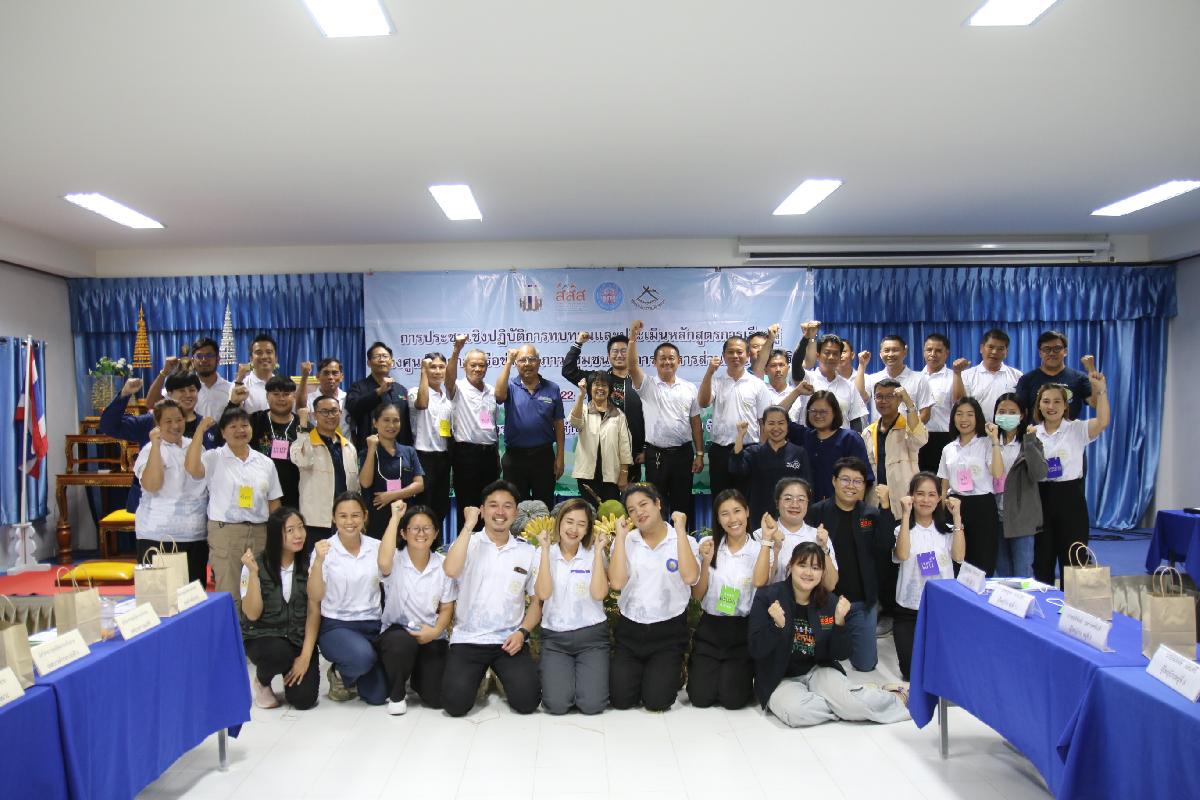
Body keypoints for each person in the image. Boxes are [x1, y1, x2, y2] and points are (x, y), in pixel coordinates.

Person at [748, 542, 909, 727]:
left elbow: (841, 654)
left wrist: (840, 624)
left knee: (848, 704)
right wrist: (776, 626)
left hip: (818, 670)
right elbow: (756, 649)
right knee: (797, 713)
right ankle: (853, 702)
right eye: (802, 565)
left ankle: (894, 697)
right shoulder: (768, 597)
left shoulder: (829, 601)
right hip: (780, 677)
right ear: (791, 566)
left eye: (815, 568)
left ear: (822, 573)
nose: (808, 573)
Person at [441, 482, 542, 716]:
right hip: (468, 639)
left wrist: (522, 632)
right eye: (493, 505)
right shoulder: (468, 542)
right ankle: (482, 676)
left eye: (507, 506)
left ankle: (498, 676)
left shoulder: (527, 551)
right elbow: (451, 570)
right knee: (455, 706)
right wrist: (468, 526)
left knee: (528, 702)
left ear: (516, 512)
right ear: (482, 510)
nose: (500, 512)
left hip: (509, 641)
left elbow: (537, 601)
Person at [609, 483, 700, 711]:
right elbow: (617, 583)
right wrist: (620, 538)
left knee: (657, 702)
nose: (638, 512)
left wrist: (681, 531)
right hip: (630, 631)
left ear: (658, 503)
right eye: (631, 510)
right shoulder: (626, 541)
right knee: (621, 700)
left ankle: (665, 673)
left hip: (668, 633)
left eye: (643, 504)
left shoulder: (683, 540)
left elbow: (690, 577)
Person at [186, 409, 283, 607]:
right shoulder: (214, 458)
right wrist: (199, 431)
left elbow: (274, 501)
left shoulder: (265, 462)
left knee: (259, 587)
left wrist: (275, 534)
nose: (240, 430)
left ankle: (254, 627)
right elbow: (192, 469)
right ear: (223, 432)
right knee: (229, 589)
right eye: (233, 426)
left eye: (245, 425)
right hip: (226, 532)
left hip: (260, 532)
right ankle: (232, 627)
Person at [806, 457, 895, 672]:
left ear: (864, 486)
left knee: (865, 665)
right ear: (834, 481)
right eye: (845, 479)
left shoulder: (871, 514)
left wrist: (886, 507)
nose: (851, 486)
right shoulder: (818, 512)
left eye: (858, 481)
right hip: (825, 601)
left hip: (861, 602)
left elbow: (886, 546)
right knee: (820, 663)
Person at [686, 490, 766, 710]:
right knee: (700, 698)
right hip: (710, 628)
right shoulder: (709, 545)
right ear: (718, 519)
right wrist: (705, 561)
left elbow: (762, 584)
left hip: (742, 630)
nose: (732, 519)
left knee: (733, 701)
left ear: (747, 512)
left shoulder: (759, 549)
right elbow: (697, 595)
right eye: (725, 514)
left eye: (737, 511)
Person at [376, 501, 457, 715]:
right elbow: (383, 562)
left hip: (430, 634)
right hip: (398, 633)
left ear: (436, 532)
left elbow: (447, 607)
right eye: (414, 528)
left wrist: (436, 631)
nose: (421, 533)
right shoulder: (395, 560)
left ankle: (417, 678)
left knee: (438, 698)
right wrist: (395, 517)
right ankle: (396, 693)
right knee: (401, 644)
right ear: (403, 533)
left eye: (427, 528)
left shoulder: (443, 564)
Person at [1032, 370, 1110, 585]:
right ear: (1039, 405)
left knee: (1074, 558)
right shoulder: (1031, 433)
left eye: (1057, 401)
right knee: (1042, 561)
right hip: (1041, 499)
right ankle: (1045, 602)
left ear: (1065, 406)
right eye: (1046, 401)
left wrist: (1101, 391)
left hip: (1071, 499)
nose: (1051, 406)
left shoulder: (1076, 429)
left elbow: (1102, 422)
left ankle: (1072, 604)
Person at [533, 498, 611, 715]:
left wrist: (598, 552)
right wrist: (545, 551)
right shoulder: (544, 552)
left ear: (588, 529)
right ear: (559, 523)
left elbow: (599, 594)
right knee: (557, 706)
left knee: (592, 706)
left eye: (581, 524)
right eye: (569, 522)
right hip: (555, 639)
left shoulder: (594, 552)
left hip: (592, 638)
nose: (574, 529)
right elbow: (543, 594)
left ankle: (583, 686)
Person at [309, 493, 388, 705]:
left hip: (372, 625)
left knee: (378, 696)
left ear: (365, 516)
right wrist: (318, 562)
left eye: (355, 515)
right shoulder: (324, 549)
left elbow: (389, 582)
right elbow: (315, 595)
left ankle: (354, 669)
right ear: (334, 518)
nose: (349, 521)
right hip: (336, 625)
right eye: (343, 516)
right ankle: (339, 673)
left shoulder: (376, 546)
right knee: (363, 657)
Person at [240, 507, 320, 710]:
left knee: (304, 700)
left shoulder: (310, 565)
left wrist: (305, 657)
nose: (298, 535)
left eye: (301, 527)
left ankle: (289, 672)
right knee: (279, 653)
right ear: (275, 535)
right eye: (290, 530)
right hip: (264, 637)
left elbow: (314, 612)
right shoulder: (254, 564)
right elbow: (252, 614)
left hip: (297, 638)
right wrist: (254, 575)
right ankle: (262, 682)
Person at [891, 475, 965, 682]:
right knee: (910, 672)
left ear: (939, 498)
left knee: (940, 670)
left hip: (940, 608)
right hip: (909, 609)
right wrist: (906, 514)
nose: (926, 500)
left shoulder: (948, 531)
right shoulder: (901, 529)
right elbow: (902, 554)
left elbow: (959, 556)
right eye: (920, 494)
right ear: (911, 496)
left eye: (932, 494)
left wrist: (957, 517)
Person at [101, 369, 205, 514]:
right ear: (169, 394)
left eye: (192, 390)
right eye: (181, 390)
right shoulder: (149, 422)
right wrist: (125, 394)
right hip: (150, 508)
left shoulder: (206, 426)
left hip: (191, 510)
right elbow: (109, 426)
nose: (188, 395)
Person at [628, 322, 703, 521]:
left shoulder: (689, 388)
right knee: (656, 505)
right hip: (656, 456)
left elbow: (696, 422)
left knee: (683, 505)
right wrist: (633, 338)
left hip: (683, 454)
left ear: (679, 361)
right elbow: (632, 366)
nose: (667, 362)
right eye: (662, 358)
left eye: (671, 358)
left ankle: (682, 539)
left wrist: (699, 454)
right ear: (654, 362)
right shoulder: (647, 385)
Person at [132, 399, 209, 584]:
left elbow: (200, 477)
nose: (175, 426)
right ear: (157, 424)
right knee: (159, 596)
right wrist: (156, 445)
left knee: (194, 595)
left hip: (194, 533)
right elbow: (152, 485)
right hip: (156, 534)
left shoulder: (196, 446)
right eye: (168, 421)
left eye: (179, 420)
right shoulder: (149, 450)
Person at [564, 329, 645, 481]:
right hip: (599, 455)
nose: (619, 355)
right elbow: (568, 371)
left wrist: (645, 449)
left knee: (630, 494)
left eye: (624, 351)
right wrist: (578, 344)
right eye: (615, 351)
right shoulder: (598, 381)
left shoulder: (640, 383)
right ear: (608, 356)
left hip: (632, 454)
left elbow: (648, 418)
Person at [699, 336, 773, 499]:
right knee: (720, 500)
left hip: (749, 450)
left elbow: (764, 422)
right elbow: (703, 403)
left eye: (739, 352)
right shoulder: (716, 382)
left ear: (748, 355)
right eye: (730, 352)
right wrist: (709, 372)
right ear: (724, 356)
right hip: (720, 451)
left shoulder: (757, 384)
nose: (735, 356)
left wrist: (761, 450)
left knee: (747, 500)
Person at [937, 397, 1003, 575]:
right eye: (959, 414)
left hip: (983, 507)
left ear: (977, 417)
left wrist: (995, 440)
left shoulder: (987, 443)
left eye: (969, 414)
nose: (964, 419)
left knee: (983, 561)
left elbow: (998, 473)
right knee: (956, 561)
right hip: (955, 507)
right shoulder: (948, 449)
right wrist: (941, 514)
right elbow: (943, 484)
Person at [495, 344, 565, 509]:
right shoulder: (510, 386)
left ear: (539, 362)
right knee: (515, 507)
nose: (527, 364)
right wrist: (508, 361)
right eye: (522, 360)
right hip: (515, 458)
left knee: (543, 507)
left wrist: (560, 457)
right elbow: (499, 396)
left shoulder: (552, 388)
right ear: (516, 364)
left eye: (532, 359)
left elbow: (559, 424)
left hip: (543, 457)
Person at [446, 335, 501, 533]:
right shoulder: (458, 388)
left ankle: (488, 545)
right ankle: (466, 547)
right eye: (473, 365)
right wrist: (456, 350)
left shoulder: (492, 391)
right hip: (466, 455)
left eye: (482, 365)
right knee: (468, 506)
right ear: (465, 366)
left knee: (490, 505)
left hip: (490, 455)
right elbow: (448, 379)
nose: (478, 369)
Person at [786, 391, 874, 504]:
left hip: (843, 507)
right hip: (807, 508)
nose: (818, 415)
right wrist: (797, 392)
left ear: (835, 412)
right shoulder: (804, 436)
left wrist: (856, 509)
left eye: (823, 411)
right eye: (813, 411)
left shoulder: (849, 439)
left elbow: (863, 479)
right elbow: (777, 415)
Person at [993, 393, 1046, 578]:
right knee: (1002, 573)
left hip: (1021, 518)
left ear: (1022, 415)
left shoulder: (1030, 441)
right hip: (995, 517)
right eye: (1002, 412)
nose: (1006, 416)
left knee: (1023, 573)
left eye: (1012, 412)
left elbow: (1039, 473)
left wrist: (1030, 442)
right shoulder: (989, 441)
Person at [291, 396, 359, 541]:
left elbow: (355, 484)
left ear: (340, 413)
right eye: (324, 412)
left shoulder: (348, 447)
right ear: (315, 415)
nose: (330, 416)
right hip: (316, 521)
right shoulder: (303, 443)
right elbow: (303, 460)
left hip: (345, 520)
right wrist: (303, 425)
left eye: (334, 411)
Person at [730, 408, 812, 526]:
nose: (776, 428)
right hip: (759, 517)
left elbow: (807, 487)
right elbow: (736, 469)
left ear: (788, 425)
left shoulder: (799, 453)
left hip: (791, 515)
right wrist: (740, 435)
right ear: (763, 426)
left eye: (781, 423)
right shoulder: (754, 452)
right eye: (771, 423)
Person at [753, 478, 838, 589]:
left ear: (807, 503)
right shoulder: (761, 535)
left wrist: (824, 548)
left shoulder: (818, 536)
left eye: (801, 499)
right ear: (777, 503)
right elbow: (760, 583)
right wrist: (773, 547)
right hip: (772, 599)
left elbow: (830, 586)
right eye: (788, 499)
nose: (795, 504)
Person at [357, 403, 425, 539]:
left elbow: (419, 485)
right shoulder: (367, 452)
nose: (391, 425)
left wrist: (392, 495)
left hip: (405, 516)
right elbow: (365, 483)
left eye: (396, 420)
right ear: (375, 423)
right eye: (386, 420)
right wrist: (371, 449)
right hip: (377, 518)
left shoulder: (408, 451)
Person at [237, 375, 302, 509]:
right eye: (276, 394)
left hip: (293, 499)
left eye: (286, 394)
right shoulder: (254, 421)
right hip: (255, 496)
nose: (281, 399)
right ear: (267, 396)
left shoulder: (304, 427)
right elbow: (231, 436)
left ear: (294, 396)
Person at [569, 372, 633, 504]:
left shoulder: (618, 414)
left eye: (604, 385)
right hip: (586, 476)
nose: (600, 388)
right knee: (589, 512)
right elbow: (575, 422)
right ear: (590, 388)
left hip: (611, 476)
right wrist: (581, 395)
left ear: (609, 390)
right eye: (596, 384)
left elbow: (625, 446)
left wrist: (624, 473)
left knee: (611, 513)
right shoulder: (583, 410)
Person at [410, 354, 454, 532]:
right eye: (432, 367)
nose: (437, 371)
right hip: (422, 457)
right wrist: (423, 371)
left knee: (440, 505)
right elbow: (422, 404)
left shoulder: (448, 398)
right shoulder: (415, 392)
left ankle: (436, 544)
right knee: (423, 506)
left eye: (441, 367)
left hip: (443, 457)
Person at [790, 332, 868, 431]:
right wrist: (806, 337)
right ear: (818, 355)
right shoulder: (807, 379)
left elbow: (856, 419)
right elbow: (796, 365)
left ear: (840, 357)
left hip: (840, 440)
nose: (831, 357)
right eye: (827, 353)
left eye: (835, 354)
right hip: (810, 438)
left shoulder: (850, 386)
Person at [952, 329, 1023, 435]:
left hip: (1007, 433)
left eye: (1000, 349)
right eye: (990, 347)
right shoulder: (966, 375)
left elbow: (1021, 407)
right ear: (981, 348)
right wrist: (957, 373)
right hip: (976, 433)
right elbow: (959, 402)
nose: (994, 352)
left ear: (1006, 352)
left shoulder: (1017, 376)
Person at [346, 341, 412, 453]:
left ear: (392, 362)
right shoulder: (358, 387)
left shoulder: (401, 389)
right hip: (369, 449)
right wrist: (378, 392)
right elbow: (353, 407)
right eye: (377, 356)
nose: (382, 360)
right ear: (369, 363)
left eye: (385, 356)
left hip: (399, 450)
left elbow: (406, 423)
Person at [1014, 331, 1096, 420]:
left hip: (1070, 428)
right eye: (1046, 349)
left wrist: (1092, 371)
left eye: (1057, 348)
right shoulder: (1026, 380)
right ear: (1040, 353)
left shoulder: (1079, 378)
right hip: (1036, 429)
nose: (1052, 353)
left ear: (1065, 351)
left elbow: (1095, 403)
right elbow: (1019, 411)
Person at [857, 335, 934, 424]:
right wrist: (862, 365)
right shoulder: (873, 379)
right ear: (880, 354)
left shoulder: (919, 379)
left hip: (908, 431)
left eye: (895, 350)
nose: (890, 354)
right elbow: (860, 396)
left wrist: (908, 430)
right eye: (886, 350)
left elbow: (925, 414)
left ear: (905, 352)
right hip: (878, 431)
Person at [918, 333, 955, 474]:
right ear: (924, 351)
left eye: (938, 351)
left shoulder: (955, 377)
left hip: (944, 437)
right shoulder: (915, 378)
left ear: (947, 353)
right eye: (929, 350)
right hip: (918, 437)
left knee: (943, 480)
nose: (933, 354)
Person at [299, 357, 351, 441]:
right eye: (326, 373)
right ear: (317, 376)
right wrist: (305, 377)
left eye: (335, 373)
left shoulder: (348, 398)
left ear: (342, 377)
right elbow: (300, 408)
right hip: (316, 446)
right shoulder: (309, 399)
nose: (330, 377)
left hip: (345, 446)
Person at [236, 333, 279, 414]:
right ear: (251, 359)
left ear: (276, 358)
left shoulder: (282, 385)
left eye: (269, 352)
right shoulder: (240, 385)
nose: (264, 356)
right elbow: (235, 416)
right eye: (259, 352)